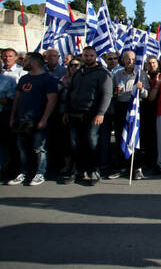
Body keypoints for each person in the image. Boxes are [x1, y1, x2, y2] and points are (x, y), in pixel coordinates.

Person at [63, 47, 112, 185]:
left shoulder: (103, 73)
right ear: (82, 57)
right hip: (74, 113)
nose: (88, 58)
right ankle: (78, 170)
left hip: (92, 114)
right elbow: (70, 92)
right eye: (86, 55)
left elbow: (107, 95)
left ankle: (94, 171)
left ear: (96, 56)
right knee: (75, 144)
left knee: (92, 143)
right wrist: (66, 111)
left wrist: (101, 113)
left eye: (91, 55)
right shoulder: (79, 72)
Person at [7, 53, 58, 186]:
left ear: (34, 63)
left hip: (37, 120)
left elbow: (51, 101)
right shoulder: (24, 79)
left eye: (26, 60)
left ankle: (40, 173)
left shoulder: (48, 79)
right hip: (21, 120)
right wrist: (13, 116)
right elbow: (17, 99)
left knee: (39, 149)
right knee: (22, 149)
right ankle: (23, 172)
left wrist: (44, 119)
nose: (22, 62)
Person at [110, 51, 150, 179]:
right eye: (127, 59)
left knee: (135, 137)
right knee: (121, 137)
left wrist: (141, 89)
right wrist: (116, 92)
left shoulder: (140, 74)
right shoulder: (117, 74)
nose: (130, 61)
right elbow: (112, 93)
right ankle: (121, 166)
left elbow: (146, 94)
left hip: (135, 107)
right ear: (123, 60)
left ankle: (137, 167)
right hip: (121, 107)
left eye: (133, 59)